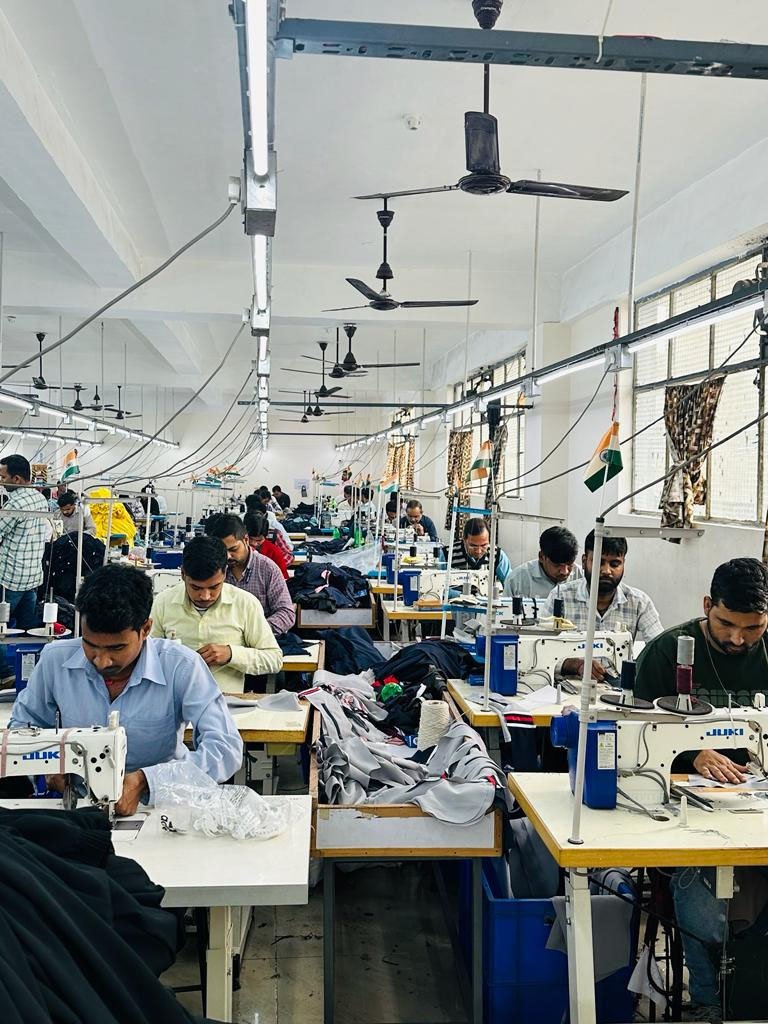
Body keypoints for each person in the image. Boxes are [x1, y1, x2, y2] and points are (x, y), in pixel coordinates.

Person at [635, 558, 768, 1023]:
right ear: (707, 605)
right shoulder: (666, 653)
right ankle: (711, 1000)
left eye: (753, 628)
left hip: (751, 803)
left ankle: (751, 989)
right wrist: (691, 753)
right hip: (683, 812)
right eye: (727, 624)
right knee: (700, 882)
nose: (739, 639)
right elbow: (636, 741)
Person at [10, 563, 242, 815]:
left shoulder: (181, 667)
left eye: (116, 648)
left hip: (158, 808)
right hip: (77, 806)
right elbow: (22, 731)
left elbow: (225, 749)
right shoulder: (56, 661)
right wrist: (49, 766)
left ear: (145, 629)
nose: (101, 661)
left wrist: (147, 781)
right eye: (90, 645)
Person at [150, 535, 281, 692]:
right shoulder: (163, 602)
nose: (205, 596)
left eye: (214, 587)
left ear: (224, 573)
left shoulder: (245, 604)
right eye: (196, 588)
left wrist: (231, 654)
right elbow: (147, 656)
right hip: (174, 700)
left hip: (227, 702)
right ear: (183, 574)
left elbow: (274, 659)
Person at [541, 530, 663, 679]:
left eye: (615, 564)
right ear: (584, 561)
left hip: (619, 687)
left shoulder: (639, 603)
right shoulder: (560, 596)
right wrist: (573, 665)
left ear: (623, 564)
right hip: (569, 686)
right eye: (599, 562)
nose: (606, 571)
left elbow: (660, 649)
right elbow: (540, 652)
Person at [205, 514, 295, 635]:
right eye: (222, 551)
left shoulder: (267, 569)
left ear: (246, 540)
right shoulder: (215, 568)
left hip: (258, 638)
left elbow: (286, 613)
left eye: (233, 549)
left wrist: (254, 630)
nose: (228, 556)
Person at [0, 456, 48, 651]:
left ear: (17, 479)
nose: (1, 481)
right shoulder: (40, 499)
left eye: (3, 477)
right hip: (32, 577)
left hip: (10, 580)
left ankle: (4, 668)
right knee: (28, 630)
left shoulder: (15, 504)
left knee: (1, 628)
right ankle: (27, 665)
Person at [504, 526, 583, 599]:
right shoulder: (516, 580)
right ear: (541, 557)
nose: (565, 571)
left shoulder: (583, 577)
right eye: (557, 565)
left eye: (569, 564)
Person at [450, 517, 510, 584]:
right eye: (473, 546)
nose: (478, 551)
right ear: (464, 539)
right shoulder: (448, 554)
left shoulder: (498, 556)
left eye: (483, 545)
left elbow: (509, 583)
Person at [243, 511, 291, 579]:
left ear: (266, 537)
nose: (254, 543)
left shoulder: (273, 551)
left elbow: (283, 578)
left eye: (259, 540)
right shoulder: (236, 549)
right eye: (250, 539)